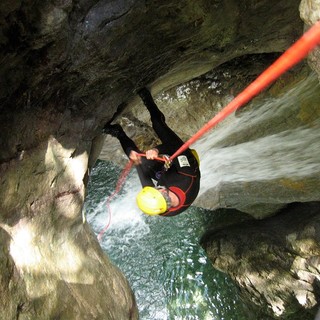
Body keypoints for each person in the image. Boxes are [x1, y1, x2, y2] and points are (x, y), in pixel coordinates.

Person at [103, 88, 200, 216]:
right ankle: (147, 99)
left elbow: (147, 186)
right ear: (164, 193)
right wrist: (157, 150)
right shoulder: (187, 177)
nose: (156, 188)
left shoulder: (160, 207)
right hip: (183, 164)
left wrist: (137, 161)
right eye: (157, 189)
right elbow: (174, 147)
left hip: (166, 175)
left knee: (135, 157)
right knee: (158, 125)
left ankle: (118, 132)